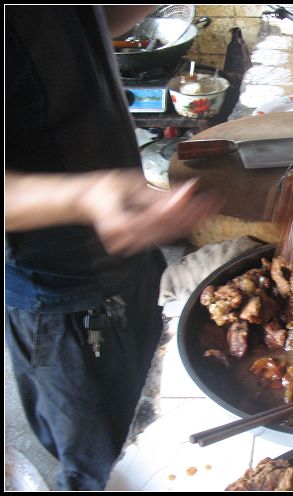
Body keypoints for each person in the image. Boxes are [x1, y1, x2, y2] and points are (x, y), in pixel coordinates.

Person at [5, 6, 222, 490]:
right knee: (105, 469)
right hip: (61, 299)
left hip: (132, 257)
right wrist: (86, 197)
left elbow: (89, 21)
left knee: (156, 429)